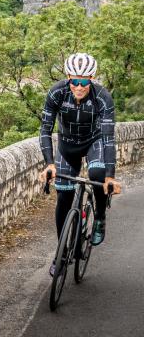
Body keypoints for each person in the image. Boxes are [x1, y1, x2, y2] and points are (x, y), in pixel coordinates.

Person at [39, 52, 121, 277]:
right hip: (67, 146)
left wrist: (110, 176)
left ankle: (100, 218)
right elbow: (45, 130)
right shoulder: (57, 92)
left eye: (84, 82)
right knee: (63, 198)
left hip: (93, 142)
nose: (79, 86)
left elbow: (108, 138)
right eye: (74, 81)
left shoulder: (102, 97)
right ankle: (61, 254)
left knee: (96, 173)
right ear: (68, 77)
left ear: (92, 79)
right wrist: (49, 163)